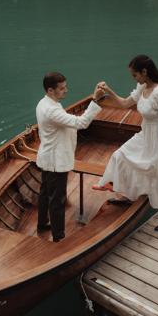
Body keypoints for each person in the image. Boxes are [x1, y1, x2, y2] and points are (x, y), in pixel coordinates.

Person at [93, 55, 158, 232]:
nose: (133, 78)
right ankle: (127, 193)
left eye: (135, 75)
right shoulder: (142, 87)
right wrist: (108, 90)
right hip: (145, 134)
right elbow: (125, 104)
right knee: (120, 155)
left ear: (144, 71)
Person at [36, 72, 104, 242]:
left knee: (45, 193)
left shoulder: (44, 103)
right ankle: (59, 237)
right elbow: (82, 123)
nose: (66, 90)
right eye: (62, 88)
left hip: (47, 158)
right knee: (57, 200)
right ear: (51, 90)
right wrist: (94, 100)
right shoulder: (51, 110)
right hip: (55, 162)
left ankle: (42, 223)